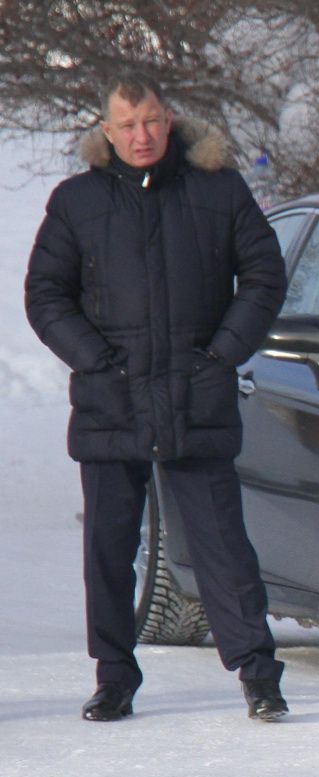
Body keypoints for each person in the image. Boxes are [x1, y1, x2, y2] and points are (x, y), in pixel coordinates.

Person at [24, 73, 289, 722]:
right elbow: (45, 295)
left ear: (169, 120)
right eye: (127, 125)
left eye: (151, 121)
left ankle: (259, 674)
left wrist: (222, 352)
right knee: (110, 550)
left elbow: (263, 273)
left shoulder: (219, 189)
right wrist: (95, 358)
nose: (141, 136)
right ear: (106, 132)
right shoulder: (77, 202)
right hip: (110, 401)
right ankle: (114, 675)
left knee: (224, 545)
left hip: (195, 395)